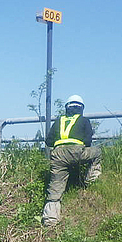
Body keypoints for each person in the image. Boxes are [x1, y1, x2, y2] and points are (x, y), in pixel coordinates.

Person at [42, 95, 102, 226]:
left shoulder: (59, 121)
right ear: (81, 108)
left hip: (58, 154)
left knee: (55, 188)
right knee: (97, 152)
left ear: (67, 108)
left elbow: (48, 141)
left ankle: (50, 219)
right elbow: (88, 141)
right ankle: (90, 181)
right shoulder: (84, 120)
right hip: (77, 151)